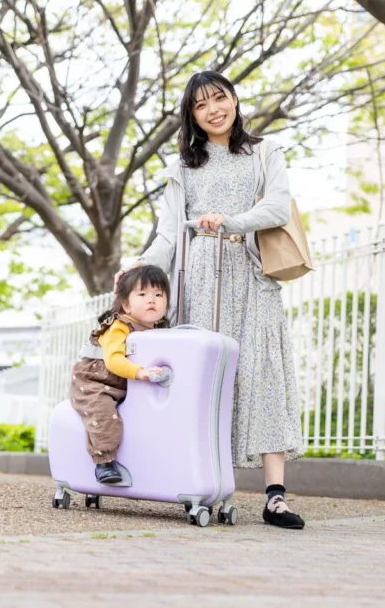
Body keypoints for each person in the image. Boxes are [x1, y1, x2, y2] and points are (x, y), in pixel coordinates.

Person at [117, 71, 306, 529]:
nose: (213, 109)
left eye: (219, 98)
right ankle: (197, 480)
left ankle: (275, 496)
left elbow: (279, 207)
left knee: (262, 374)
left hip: (251, 274)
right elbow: (169, 232)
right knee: (202, 379)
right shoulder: (181, 167)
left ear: (235, 100)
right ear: (193, 116)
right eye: (201, 105)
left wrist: (231, 221)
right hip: (198, 280)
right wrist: (139, 267)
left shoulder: (265, 151)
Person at [71, 265, 169, 484]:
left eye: (158, 294)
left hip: (126, 384)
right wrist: (140, 372)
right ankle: (104, 462)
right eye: (142, 294)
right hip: (96, 380)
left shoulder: (161, 330)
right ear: (126, 304)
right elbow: (114, 360)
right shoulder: (120, 325)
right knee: (103, 413)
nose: (151, 300)